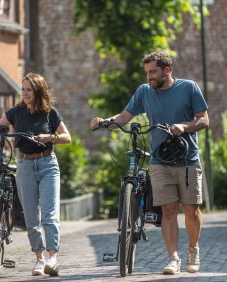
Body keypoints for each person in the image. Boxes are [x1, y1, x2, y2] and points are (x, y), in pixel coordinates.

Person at [90, 51, 209, 275]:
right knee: (169, 209)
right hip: (159, 160)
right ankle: (173, 258)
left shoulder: (189, 88)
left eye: (153, 72)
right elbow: (124, 117)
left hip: (187, 159)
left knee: (191, 210)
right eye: (146, 73)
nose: (149, 77)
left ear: (167, 70)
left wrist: (184, 126)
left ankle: (193, 248)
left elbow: (204, 119)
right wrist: (104, 122)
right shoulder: (144, 92)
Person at [0, 73, 71, 276]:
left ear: (38, 91)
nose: (24, 93)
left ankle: (53, 259)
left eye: (28, 90)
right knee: (31, 217)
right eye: (23, 89)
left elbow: (67, 137)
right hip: (24, 165)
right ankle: (39, 259)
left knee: (49, 215)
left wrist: (50, 137)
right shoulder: (16, 112)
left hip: (48, 163)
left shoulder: (50, 113)